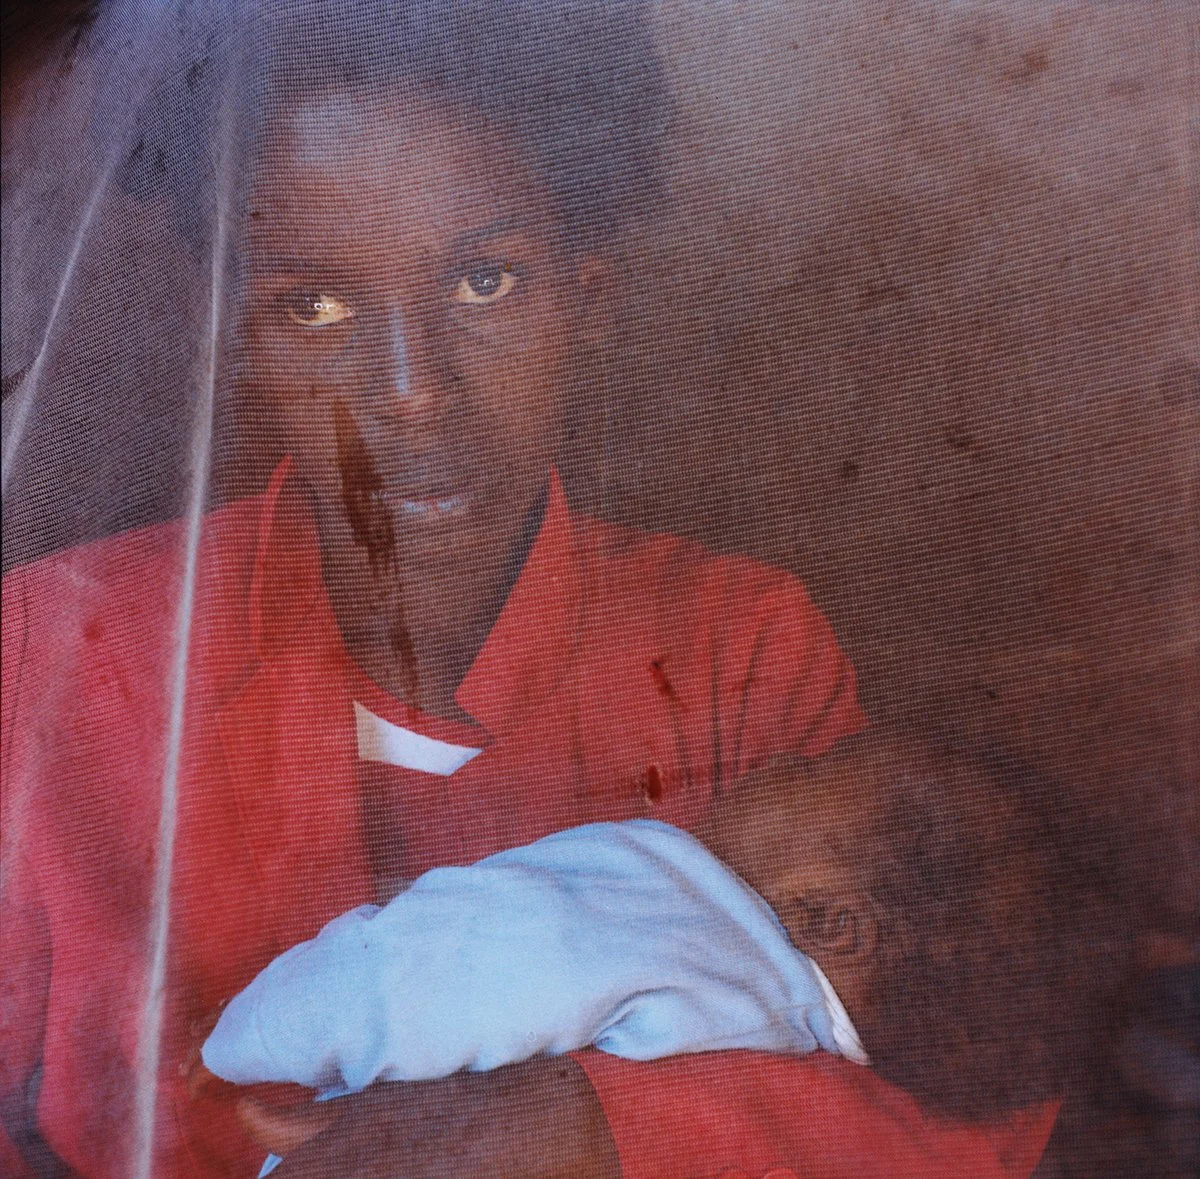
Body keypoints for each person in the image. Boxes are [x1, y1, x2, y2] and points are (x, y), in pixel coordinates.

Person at [0, 4, 1059, 1175]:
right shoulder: (57, 648)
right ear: (237, 344)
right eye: (316, 307)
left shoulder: (735, 646)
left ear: (587, 298)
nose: (410, 389)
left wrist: (569, 1125)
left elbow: (953, 1103)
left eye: (486, 281)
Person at [195, 729, 1127, 1171]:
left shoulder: (671, 904)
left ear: (829, 920)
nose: (775, 760)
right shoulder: (778, 1039)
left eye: (808, 771)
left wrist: (257, 1035)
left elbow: (468, 951)